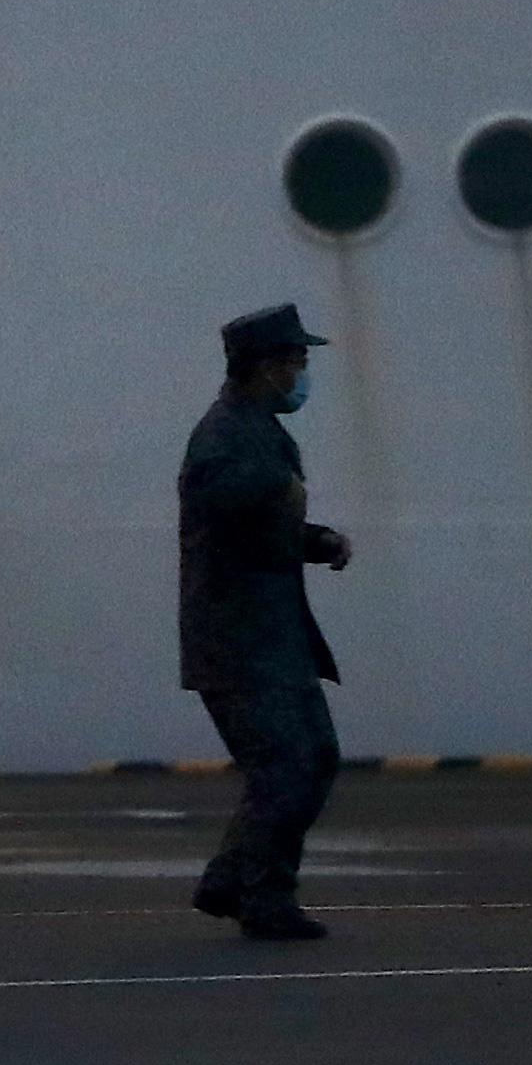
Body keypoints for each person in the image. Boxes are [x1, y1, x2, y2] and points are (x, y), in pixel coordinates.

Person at [180, 302, 353, 942]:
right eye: (296, 361)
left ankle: (232, 879)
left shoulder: (253, 427)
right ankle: (264, 897)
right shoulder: (227, 435)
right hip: (241, 640)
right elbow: (222, 505)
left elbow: (259, 525)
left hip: (269, 634)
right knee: (289, 764)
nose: (303, 374)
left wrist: (317, 539)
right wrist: (279, 494)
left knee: (311, 758)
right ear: (264, 367)